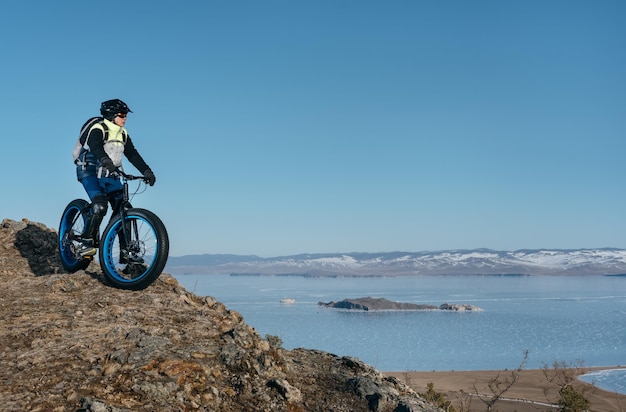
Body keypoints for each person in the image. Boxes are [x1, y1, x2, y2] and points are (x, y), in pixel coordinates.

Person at [75, 99, 156, 257]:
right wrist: (105, 160)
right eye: (121, 115)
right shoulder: (98, 128)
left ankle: (126, 253)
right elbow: (96, 146)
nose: (125, 118)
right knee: (100, 206)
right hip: (89, 169)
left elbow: (132, 154)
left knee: (124, 208)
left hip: (110, 172)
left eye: (126, 115)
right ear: (111, 115)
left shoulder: (122, 134)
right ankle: (86, 243)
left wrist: (147, 171)